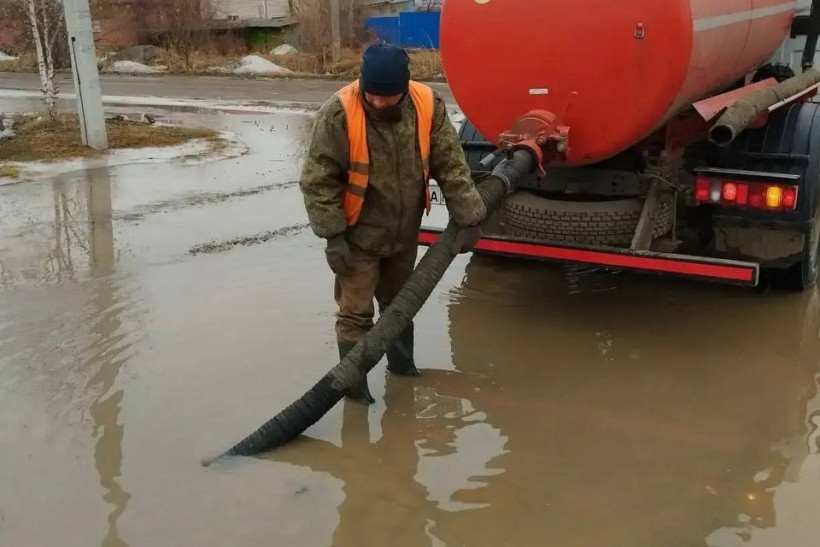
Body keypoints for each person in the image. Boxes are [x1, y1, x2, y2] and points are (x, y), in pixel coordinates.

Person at [299, 43, 487, 404]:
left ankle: (402, 371)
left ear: (405, 87)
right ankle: (355, 392)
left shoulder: (427, 105)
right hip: (357, 238)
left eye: (389, 97)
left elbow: (451, 164)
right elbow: (317, 180)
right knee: (355, 314)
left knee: (401, 305)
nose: (380, 103)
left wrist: (469, 217)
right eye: (373, 95)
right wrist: (333, 235)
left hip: (403, 233)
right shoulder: (339, 113)